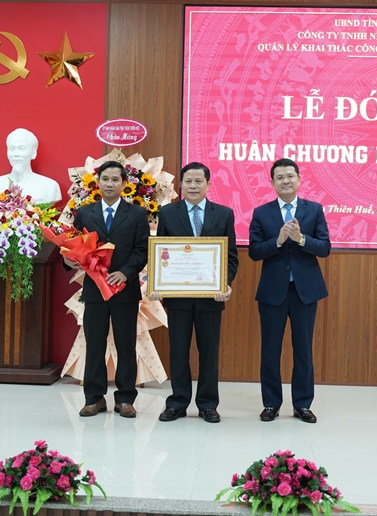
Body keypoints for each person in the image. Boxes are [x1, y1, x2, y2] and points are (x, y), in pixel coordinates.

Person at [149, 162, 239, 424]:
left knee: (209, 353)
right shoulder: (168, 213)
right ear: (180, 185)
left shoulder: (224, 214)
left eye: (199, 181)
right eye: (188, 181)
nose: (193, 186)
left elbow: (231, 257)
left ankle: (208, 405)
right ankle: (177, 403)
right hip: (178, 298)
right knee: (178, 352)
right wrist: (157, 284)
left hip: (211, 298)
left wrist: (225, 283)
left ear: (208, 184)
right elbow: (161, 254)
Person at [248, 158, 330, 423]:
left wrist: (301, 239)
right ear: (272, 183)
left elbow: (324, 248)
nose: (285, 181)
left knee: (303, 349)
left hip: (305, 291)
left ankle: (302, 404)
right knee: (270, 351)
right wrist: (279, 240)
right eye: (280, 177)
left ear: (299, 179)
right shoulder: (262, 213)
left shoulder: (314, 210)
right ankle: (271, 404)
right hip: (273, 291)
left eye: (290, 176)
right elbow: (254, 252)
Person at [65, 161, 149, 418]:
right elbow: (74, 245)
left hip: (125, 289)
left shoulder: (137, 214)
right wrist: (68, 259)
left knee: (126, 344)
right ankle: (94, 398)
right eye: (105, 179)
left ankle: (125, 399)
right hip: (95, 290)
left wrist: (125, 272)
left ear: (124, 183)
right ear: (98, 182)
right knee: (94, 344)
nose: (109, 184)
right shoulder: (84, 213)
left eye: (115, 179)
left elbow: (142, 249)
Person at [0, 128, 62, 204]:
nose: (16, 154)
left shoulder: (50, 186)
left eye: (22, 148)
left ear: (33, 153)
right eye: (12, 148)